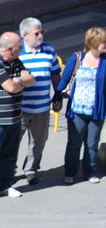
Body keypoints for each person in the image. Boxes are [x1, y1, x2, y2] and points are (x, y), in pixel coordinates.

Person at [0, 32, 35, 205]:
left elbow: (31, 80)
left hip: (14, 117)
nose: (22, 48)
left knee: (9, 155)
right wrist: (20, 80)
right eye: (19, 46)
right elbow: (11, 87)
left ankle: (4, 185)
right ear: (10, 49)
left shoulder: (17, 62)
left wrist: (20, 81)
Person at [53, 27, 106, 184]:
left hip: (96, 111)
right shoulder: (77, 58)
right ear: (94, 43)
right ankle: (70, 172)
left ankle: (89, 172)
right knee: (74, 144)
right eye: (103, 42)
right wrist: (57, 97)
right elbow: (64, 79)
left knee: (91, 144)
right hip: (77, 110)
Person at [18, 17, 62, 185]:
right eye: (37, 33)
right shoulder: (17, 52)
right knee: (13, 143)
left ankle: (30, 169)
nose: (41, 35)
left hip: (42, 108)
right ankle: (7, 172)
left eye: (42, 32)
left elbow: (55, 75)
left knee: (38, 142)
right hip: (20, 109)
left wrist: (57, 97)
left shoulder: (49, 50)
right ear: (25, 35)